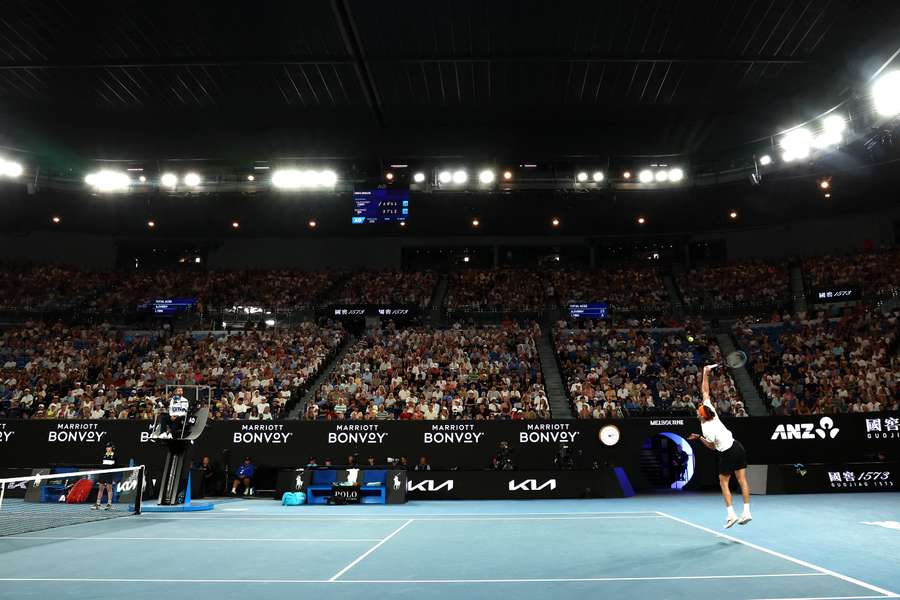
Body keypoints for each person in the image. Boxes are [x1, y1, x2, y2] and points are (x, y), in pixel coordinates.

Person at [689, 365, 752, 528]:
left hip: (727, 453)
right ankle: (747, 512)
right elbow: (705, 392)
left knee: (723, 482)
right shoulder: (712, 413)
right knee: (742, 480)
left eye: (698, 411)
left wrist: (700, 438)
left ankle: (731, 515)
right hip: (738, 447)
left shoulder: (706, 429)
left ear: (702, 415)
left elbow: (711, 447)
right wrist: (705, 373)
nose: (697, 411)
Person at [93, 442, 117, 511]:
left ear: (112, 448)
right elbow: (101, 464)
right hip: (103, 473)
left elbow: (116, 465)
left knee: (109, 489)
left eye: (109, 447)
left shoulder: (115, 455)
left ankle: (109, 504)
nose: (107, 448)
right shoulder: (104, 454)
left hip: (109, 473)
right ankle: (98, 504)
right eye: (107, 447)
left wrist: (110, 468)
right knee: (101, 488)